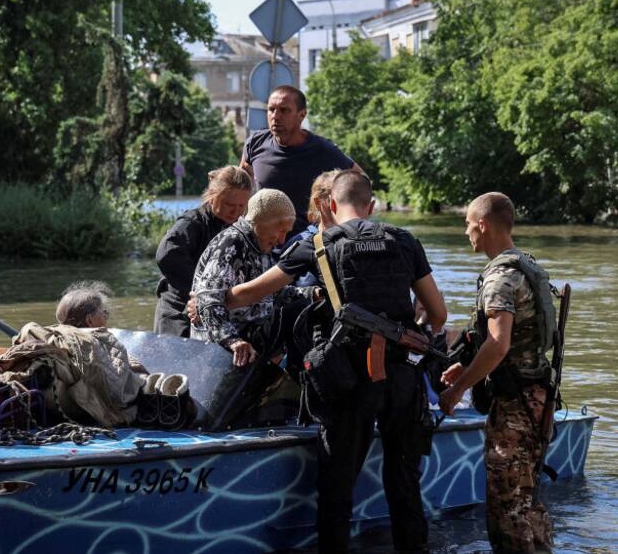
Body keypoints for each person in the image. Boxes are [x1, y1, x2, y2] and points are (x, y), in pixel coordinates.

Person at [226, 170, 447, 553]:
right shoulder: (405, 241)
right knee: (405, 485)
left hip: (346, 380)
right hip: (401, 380)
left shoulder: (316, 245)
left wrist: (212, 298)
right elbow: (438, 313)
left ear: (328, 205)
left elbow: (249, 294)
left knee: (337, 489)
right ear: (372, 206)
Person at [439, 192, 556, 554]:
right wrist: (471, 364)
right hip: (538, 399)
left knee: (508, 510)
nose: (466, 231)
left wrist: (458, 388)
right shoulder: (525, 266)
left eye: (467, 223)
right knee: (526, 501)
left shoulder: (500, 278)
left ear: (483, 224)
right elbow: (515, 343)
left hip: (516, 409)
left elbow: (498, 344)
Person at [190, 188, 306, 367]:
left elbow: (273, 293)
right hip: (220, 347)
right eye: (280, 230)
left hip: (251, 338)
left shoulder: (261, 246)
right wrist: (232, 340)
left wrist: (311, 293)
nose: (282, 241)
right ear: (260, 222)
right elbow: (207, 299)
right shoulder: (232, 243)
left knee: (304, 310)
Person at [240, 85, 361, 237]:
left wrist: (339, 220)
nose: (275, 117)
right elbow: (240, 184)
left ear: (302, 115)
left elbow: (360, 180)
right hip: (263, 242)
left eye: (284, 110)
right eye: (271, 110)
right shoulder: (256, 143)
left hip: (305, 244)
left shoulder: (323, 150)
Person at [153, 166, 252, 337]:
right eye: (229, 204)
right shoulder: (192, 223)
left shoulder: (240, 228)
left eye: (241, 206)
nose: (235, 212)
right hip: (178, 313)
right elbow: (167, 255)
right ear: (212, 196)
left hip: (214, 312)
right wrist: (202, 291)